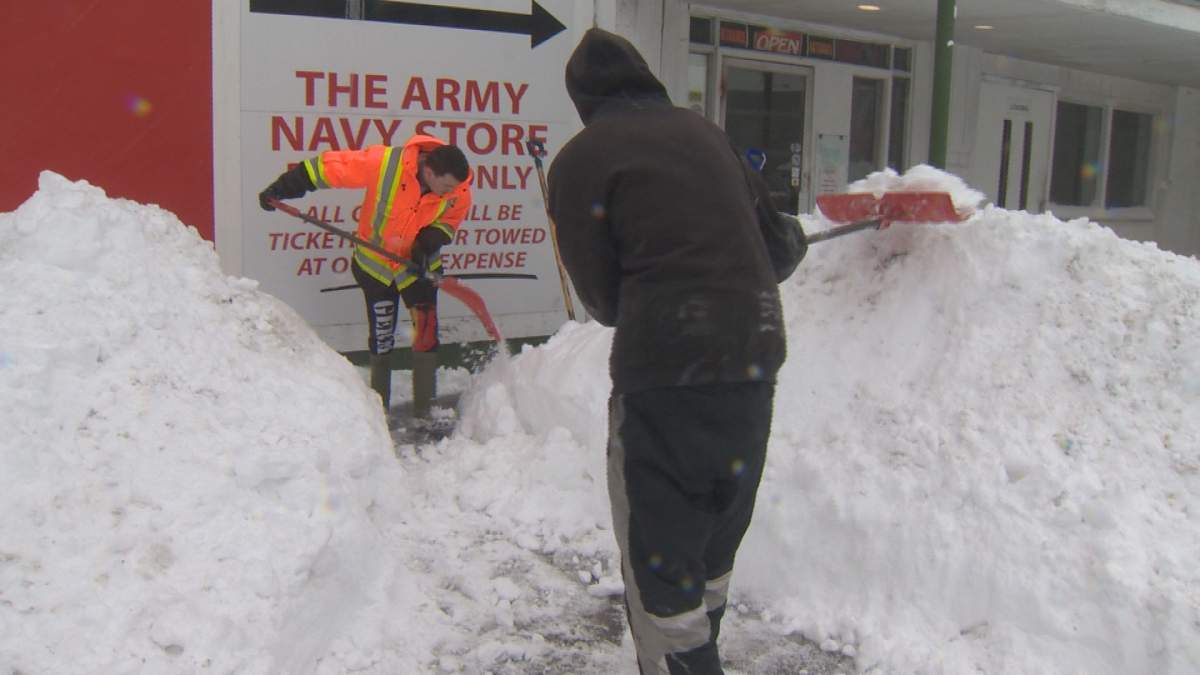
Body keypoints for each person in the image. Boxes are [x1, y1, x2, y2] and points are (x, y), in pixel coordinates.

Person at [547, 28, 792, 675]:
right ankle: (700, 645)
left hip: (663, 377)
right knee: (712, 539)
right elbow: (783, 248)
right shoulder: (708, 135)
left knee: (660, 567)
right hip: (752, 361)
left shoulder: (579, 162)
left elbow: (602, 299)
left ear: (583, 101)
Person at [258, 134, 472, 417]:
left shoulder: (458, 186)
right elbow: (329, 168)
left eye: (454, 189)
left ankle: (425, 411)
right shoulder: (384, 163)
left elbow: (451, 217)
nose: (449, 193)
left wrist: (432, 238)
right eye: (444, 187)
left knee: (426, 335)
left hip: (418, 268)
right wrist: (281, 188)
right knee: (382, 336)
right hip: (376, 266)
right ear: (429, 171)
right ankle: (377, 413)